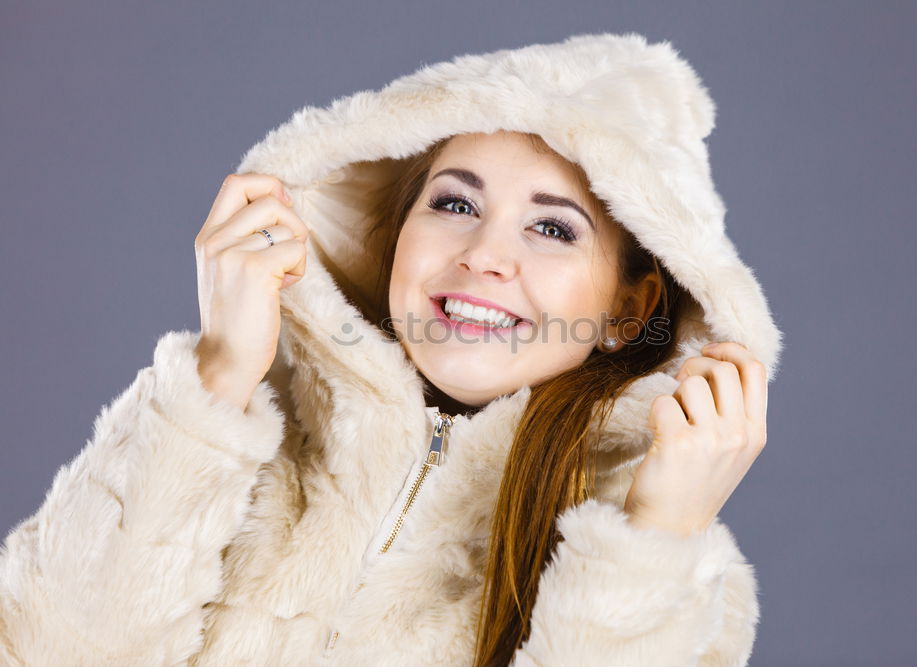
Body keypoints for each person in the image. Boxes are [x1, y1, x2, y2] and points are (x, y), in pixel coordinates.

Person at [0, 32, 783, 666]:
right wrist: (214, 381)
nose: (483, 255)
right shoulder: (238, 449)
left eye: (551, 227)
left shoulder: (674, 574)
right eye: (454, 202)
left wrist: (654, 540)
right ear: (392, 242)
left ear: (627, 309)